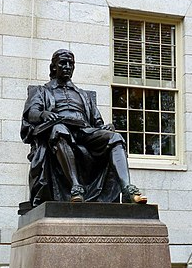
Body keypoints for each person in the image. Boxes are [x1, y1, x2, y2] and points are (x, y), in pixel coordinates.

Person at [21, 49, 147, 207]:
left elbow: (97, 121)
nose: (67, 67)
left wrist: (105, 127)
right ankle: (76, 187)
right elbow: (31, 113)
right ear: (53, 67)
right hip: (60, 129)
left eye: (70, 64)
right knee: (59, 129)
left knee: (115, 138)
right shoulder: (43, 91)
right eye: (62, 63)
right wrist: (43, 114)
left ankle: (127, 189)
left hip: (84, 131)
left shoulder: (83, 95)